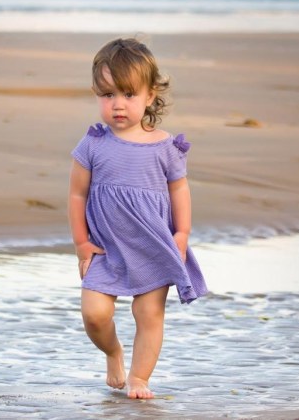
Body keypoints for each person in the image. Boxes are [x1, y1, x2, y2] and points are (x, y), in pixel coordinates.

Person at [68, 38, 208, 400]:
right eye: (107, 94)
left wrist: (183, 233)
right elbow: (77, 194)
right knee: (95, 314)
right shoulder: (93, 144)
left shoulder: (165, 147)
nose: (117, 104)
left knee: (149, 315)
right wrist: (82, 243)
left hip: (152, 244)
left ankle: (139, 378)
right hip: (106, 248)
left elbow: (179, 191)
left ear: (150, 96)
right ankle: (113, 352)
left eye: (128, 94)